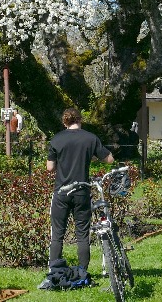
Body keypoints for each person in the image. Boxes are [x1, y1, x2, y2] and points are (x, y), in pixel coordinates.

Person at [46, 107, 114, 274]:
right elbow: (110, 159)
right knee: (82, 234)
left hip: (62, 192)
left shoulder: (57, 139)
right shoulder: (90, 138)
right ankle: (83, 271)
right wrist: (90, 155)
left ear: (64, 122)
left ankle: (54, 271)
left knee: (57, 234)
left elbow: (50, 167)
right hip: (82, 191)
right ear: (80, 120)